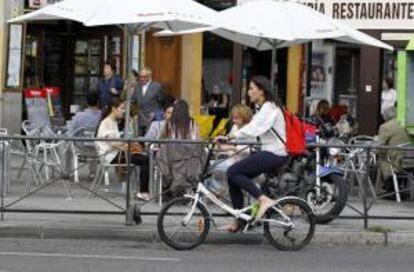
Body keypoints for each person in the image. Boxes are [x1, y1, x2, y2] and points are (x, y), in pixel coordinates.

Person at [222, 75, 289, 232]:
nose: (248, 92)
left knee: (233, 171)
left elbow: (255, 129)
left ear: (262, 90)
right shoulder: (263, 108)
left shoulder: (270, 108)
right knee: (233, 178)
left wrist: (230, 137)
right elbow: (254, 127)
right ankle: (240, 220)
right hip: (268, 152)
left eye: (251, 89)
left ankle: (264, 200)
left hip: (276, 153)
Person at [96, 97, 150, 200]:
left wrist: (129, 145)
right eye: (122, 108)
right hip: (111, 155)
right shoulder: (107, 122)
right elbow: (113, 143)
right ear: (113, 109)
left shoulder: (113, 122)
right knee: (145, 160)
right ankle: (143, 192)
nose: (124, 111)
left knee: (143, 158)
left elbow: (115, 142)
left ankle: (143, 191)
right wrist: (128, 145)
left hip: (115, 154)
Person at [157, 100, 205, 198]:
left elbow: (160, 140)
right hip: (192, 164)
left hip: (174, 163)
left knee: (161, 155)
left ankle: (168, 187)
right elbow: (199, 141)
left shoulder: (169, 124)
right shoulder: (193, 123)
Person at [206, 104, 253, 193]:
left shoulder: (249, 130)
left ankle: (216, 188)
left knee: (204, 166)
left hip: (240, 162)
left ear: (244, 117)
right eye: (233, 118)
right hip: (231, 159)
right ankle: (216, 188)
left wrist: (230, 148)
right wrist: (220, 146)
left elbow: (248, 150)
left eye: (236, 118)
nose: (233, 120)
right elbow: (230, 143)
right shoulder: (235, 127)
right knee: (204, 164)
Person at [375, 106, 409, 195]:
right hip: (408, 161)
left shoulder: (385, 127)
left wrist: (376, 152)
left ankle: (387, 189)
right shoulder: (405, 124)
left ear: (385, 116)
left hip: (394, 161)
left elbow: (380, 148)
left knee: (379, 161)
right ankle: (398, 188)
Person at [132, 67, 166, 136]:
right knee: (139, 143)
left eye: (144, 77)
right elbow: (133, 102)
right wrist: (134, 114)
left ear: (149, 76)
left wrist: (156, 113)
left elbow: (163, 103)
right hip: (139, 120)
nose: (142, 79)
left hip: (151, 120)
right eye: (140, 77)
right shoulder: (137, 86)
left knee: (149, 142)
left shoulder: (157, 86)